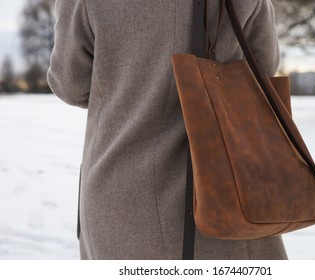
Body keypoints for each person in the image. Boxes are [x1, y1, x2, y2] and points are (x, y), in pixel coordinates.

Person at [47, 0, 288, 260]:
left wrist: (127, 92)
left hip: (121, 193)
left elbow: (71, 85)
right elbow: (263, 68)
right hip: (228, 191)